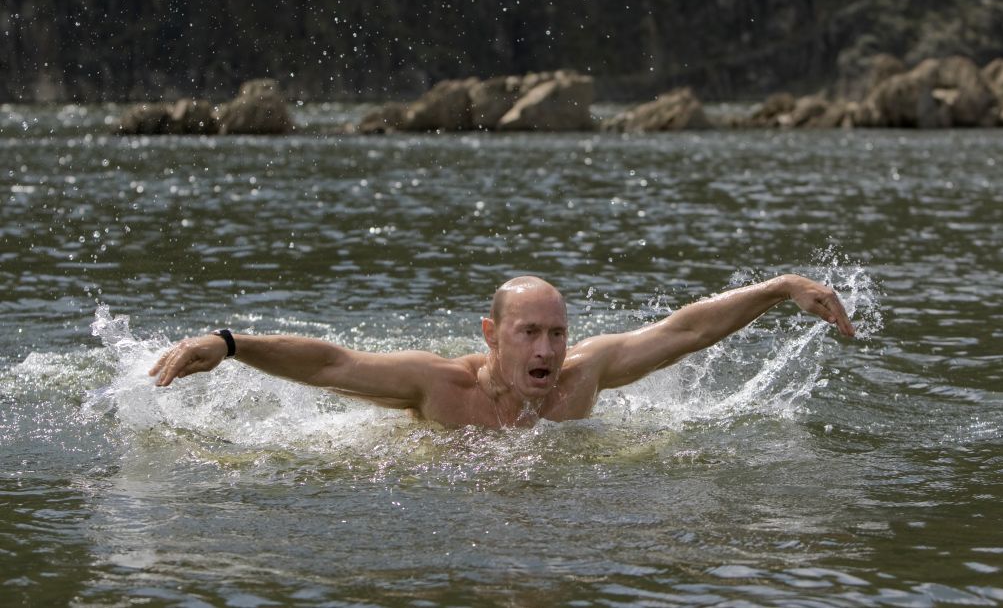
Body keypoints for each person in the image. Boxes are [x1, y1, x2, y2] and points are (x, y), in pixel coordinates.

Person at [149, 274, 854, 428]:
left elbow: (683, 331)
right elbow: (333, 363)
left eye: (556, 332)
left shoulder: (584, 378)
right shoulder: (437, 387)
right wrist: (230, 343)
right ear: (491, 337)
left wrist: (781, 288)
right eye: (529, 332)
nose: (547, 348)